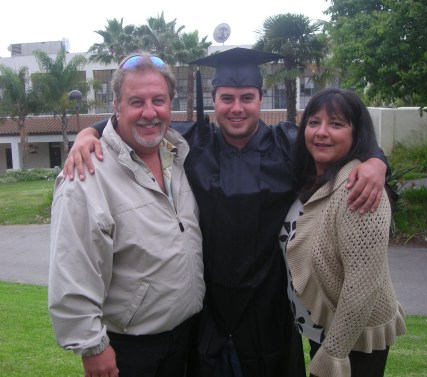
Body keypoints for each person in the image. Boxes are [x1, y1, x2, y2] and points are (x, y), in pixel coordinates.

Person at [63, 48, 388, 377]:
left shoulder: (289, 144)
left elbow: (339, 142)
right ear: (214, 99)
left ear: (260, 99)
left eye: (247, 97)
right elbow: (140, 119)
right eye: (226, 98)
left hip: (270, 311)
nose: (236, 108)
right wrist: (87, 133)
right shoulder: (190, 142)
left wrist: (376, 160)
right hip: (208, 316)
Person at [48, 54, 205, 377]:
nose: (149, 112)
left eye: (158, 100)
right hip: (130, 349)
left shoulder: (177, 155)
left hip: (185, 337)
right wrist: (92, 346)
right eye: (137, 101)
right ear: (116, 107)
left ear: (170, 105)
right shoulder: (87, 175)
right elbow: (73, 267)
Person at [284, 88, 406, 377]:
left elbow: (362, 289)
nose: (321, 132)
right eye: (314, 122)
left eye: (336, 124)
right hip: (321, 326)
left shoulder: (358, 189)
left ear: (356, 133)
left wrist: (333, 353)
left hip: (353, 340)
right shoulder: (314, 177)